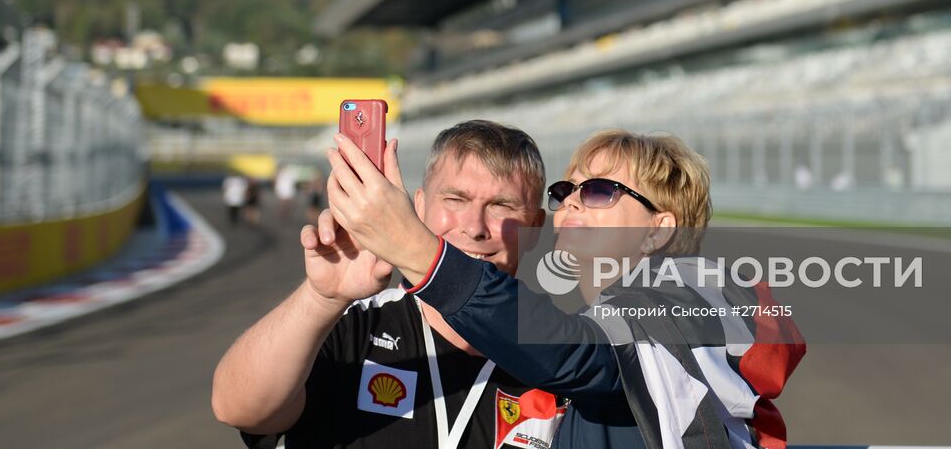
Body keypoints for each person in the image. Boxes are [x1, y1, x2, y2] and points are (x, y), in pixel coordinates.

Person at [330, 129, 805, 449]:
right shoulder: (600, 315)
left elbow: (573, 354)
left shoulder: (696, 289)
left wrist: (415, 247)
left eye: (598, 191)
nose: (572, 203)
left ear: (658, 230)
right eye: (565, 192)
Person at [212, 121, 566, 449]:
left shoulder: (560, 352)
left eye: (501, 206)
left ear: (534, 227)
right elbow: (237, 409)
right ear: (421, 207)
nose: (475, 227)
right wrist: (322, 297)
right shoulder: (351, 324)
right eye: (456, 199)